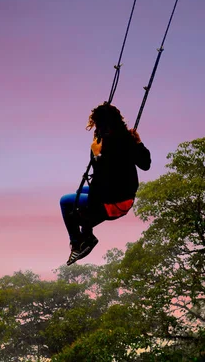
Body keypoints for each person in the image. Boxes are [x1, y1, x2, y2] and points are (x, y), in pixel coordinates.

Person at [59, 102, 151, 266]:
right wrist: (138, 143)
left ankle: (78, 242)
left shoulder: (105, 144)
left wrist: (96, 154)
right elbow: (145, 164)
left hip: (113, 203)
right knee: (80, 192)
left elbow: (103, 178)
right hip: (126, 198)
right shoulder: (127, 139)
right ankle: (86, 233)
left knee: (66, 202)